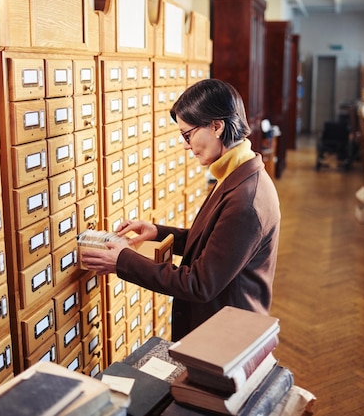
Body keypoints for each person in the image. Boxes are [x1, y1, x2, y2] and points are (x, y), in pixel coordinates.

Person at [80, 78, 281, 341]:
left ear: (216, 126)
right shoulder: (237, 173)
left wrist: (123, 261)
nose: (186, 145)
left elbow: (199, 283)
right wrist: (159, 233)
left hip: (226, 339)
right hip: (220, 327)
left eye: (188, 135)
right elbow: (216, 244)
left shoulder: (246, 200)